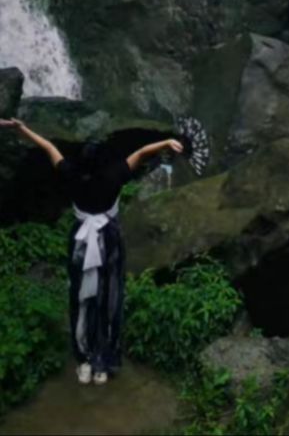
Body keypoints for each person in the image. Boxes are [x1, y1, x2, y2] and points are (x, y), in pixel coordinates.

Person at [2, 117, 182, 385]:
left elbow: (49, 147)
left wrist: (22, 128)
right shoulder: (114, 175)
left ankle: (84, 362)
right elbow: (143, 152)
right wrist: (168, 141)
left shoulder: (71, 174)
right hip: (108, 241)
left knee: (81, 297)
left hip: (80, 242)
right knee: (109, 296)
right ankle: (103, 364)